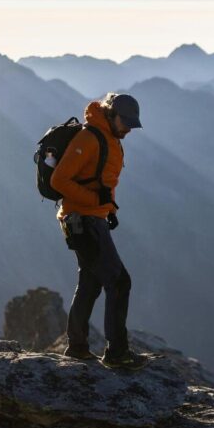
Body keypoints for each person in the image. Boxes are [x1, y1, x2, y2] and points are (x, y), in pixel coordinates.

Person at [50, 92, 148, 370]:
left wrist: (109, 209)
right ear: (111, 114)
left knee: (91, 283)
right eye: (125, 122)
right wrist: (95, 202)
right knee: (119, 282)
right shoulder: (88, 138)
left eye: (132, 124)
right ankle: (117, 353)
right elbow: (59, 180)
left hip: (92, 219)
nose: (128, 129)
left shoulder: (110, 138)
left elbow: (102, 180)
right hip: (82, 221)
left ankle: (77, 347)